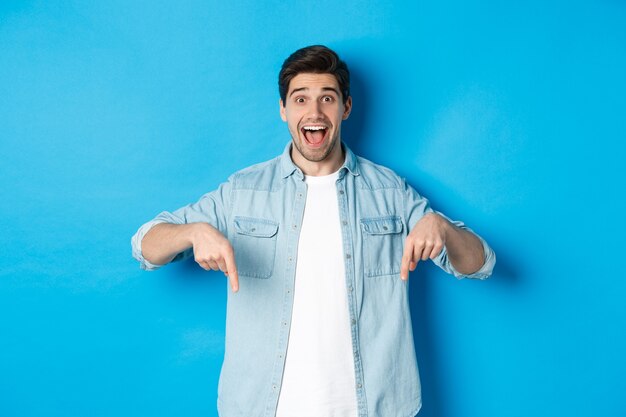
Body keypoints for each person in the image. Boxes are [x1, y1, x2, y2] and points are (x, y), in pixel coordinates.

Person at [131, 45, 495, 417]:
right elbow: (145, 246)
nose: (315, 112)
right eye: (300, 99)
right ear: (283, 110)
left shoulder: (390, 192)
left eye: (327, 98)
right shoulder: (243, 191)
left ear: (346, 108)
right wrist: (193, 232)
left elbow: (480, 264)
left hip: (374, 407)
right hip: (263, 407)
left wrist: (443, 228)